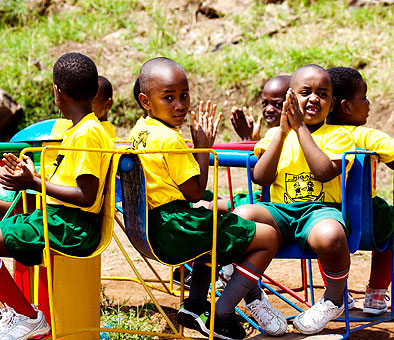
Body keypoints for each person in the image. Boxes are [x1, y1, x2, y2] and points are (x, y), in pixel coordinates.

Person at [129, 57, 287, 340]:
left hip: (153, 225)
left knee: (212, 231)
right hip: (174, 227)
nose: (180, 105)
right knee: (268, 238)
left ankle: (196, 305)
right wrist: (203, 147)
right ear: (145, 101)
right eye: (169, 98)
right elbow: (195, 192)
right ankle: (223, 313)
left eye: (184, 95)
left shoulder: (140, 131)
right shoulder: (169, 139)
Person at [234, 64, 356, 335]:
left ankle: (334, 300)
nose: (314, 98)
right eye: (305, 92)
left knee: (331, 235)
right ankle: (255, 298)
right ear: (291, 97)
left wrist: (300, 128)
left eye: (322, 94)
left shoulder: (339, 135)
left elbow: (324, 172)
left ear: (332, 102)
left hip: (320, 212)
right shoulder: (274, 135)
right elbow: (261, 177)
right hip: (280, 213)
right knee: (240, 216)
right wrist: (283, 131)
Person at [0, 52, 113, 340]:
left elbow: (86, 196)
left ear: (57, 93)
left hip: (72, 227)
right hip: (57, 219)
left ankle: (27, 317)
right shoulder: (79, 130)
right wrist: (28, 177)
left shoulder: (88, 133)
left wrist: (35, 183)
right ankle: (18, 314)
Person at [326, 66, 394, 314]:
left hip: (319, 221)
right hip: (364, 224)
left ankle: (337, 295)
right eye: (364, 97)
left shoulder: (313, 137)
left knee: (323, 228)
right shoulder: (362, 134)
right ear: (346, 106)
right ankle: (376, 294)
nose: (368, 103)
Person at [51, 75, 116, 139]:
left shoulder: (99, 131)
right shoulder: (82, 124)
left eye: (91, 102)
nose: (82, 105)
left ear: (107, 105)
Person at [230, 75, 291, 142]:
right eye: (265, 103)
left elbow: (266, 153)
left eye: (277, 104)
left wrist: (247, 138)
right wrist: (255, 138)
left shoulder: (286, 135)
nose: (268, 109)